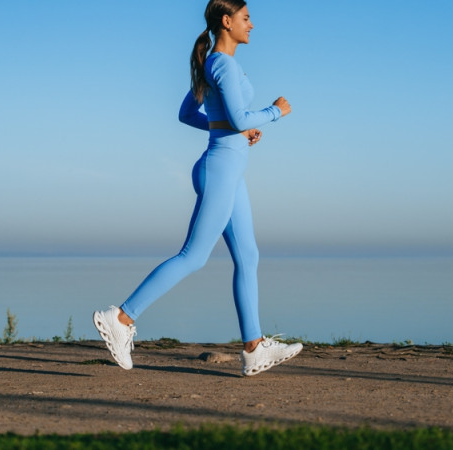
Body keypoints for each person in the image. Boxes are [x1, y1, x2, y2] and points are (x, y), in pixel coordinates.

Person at [92, 0, 302, 376]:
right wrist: (274, 112)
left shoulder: (215, 65)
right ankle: (121, 318)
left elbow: (191, 114)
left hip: (228, 170)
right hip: (220, 170)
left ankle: (254, 348)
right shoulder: (223, 64)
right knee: (193, 256)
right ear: (227, 21)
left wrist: (233, 129)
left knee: (248, 256)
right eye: (246, 18)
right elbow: (236, 115)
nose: (252, 25)